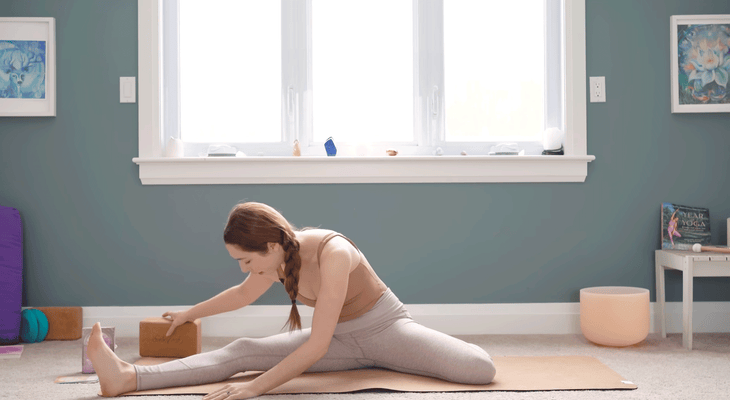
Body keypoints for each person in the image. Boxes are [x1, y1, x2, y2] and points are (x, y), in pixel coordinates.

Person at [87, 202, 496, 399]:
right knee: (243, 349)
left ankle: (399, 355)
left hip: (383, 329)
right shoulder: (277, 259)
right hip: (340, 341)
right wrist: (188, 314)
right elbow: (242, 294)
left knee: (478, 369)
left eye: (246, 260)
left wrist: (254, 390)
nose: (245, 269)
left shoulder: (333, 253)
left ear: (270, 245)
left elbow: (316, 345)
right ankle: (128, 378)